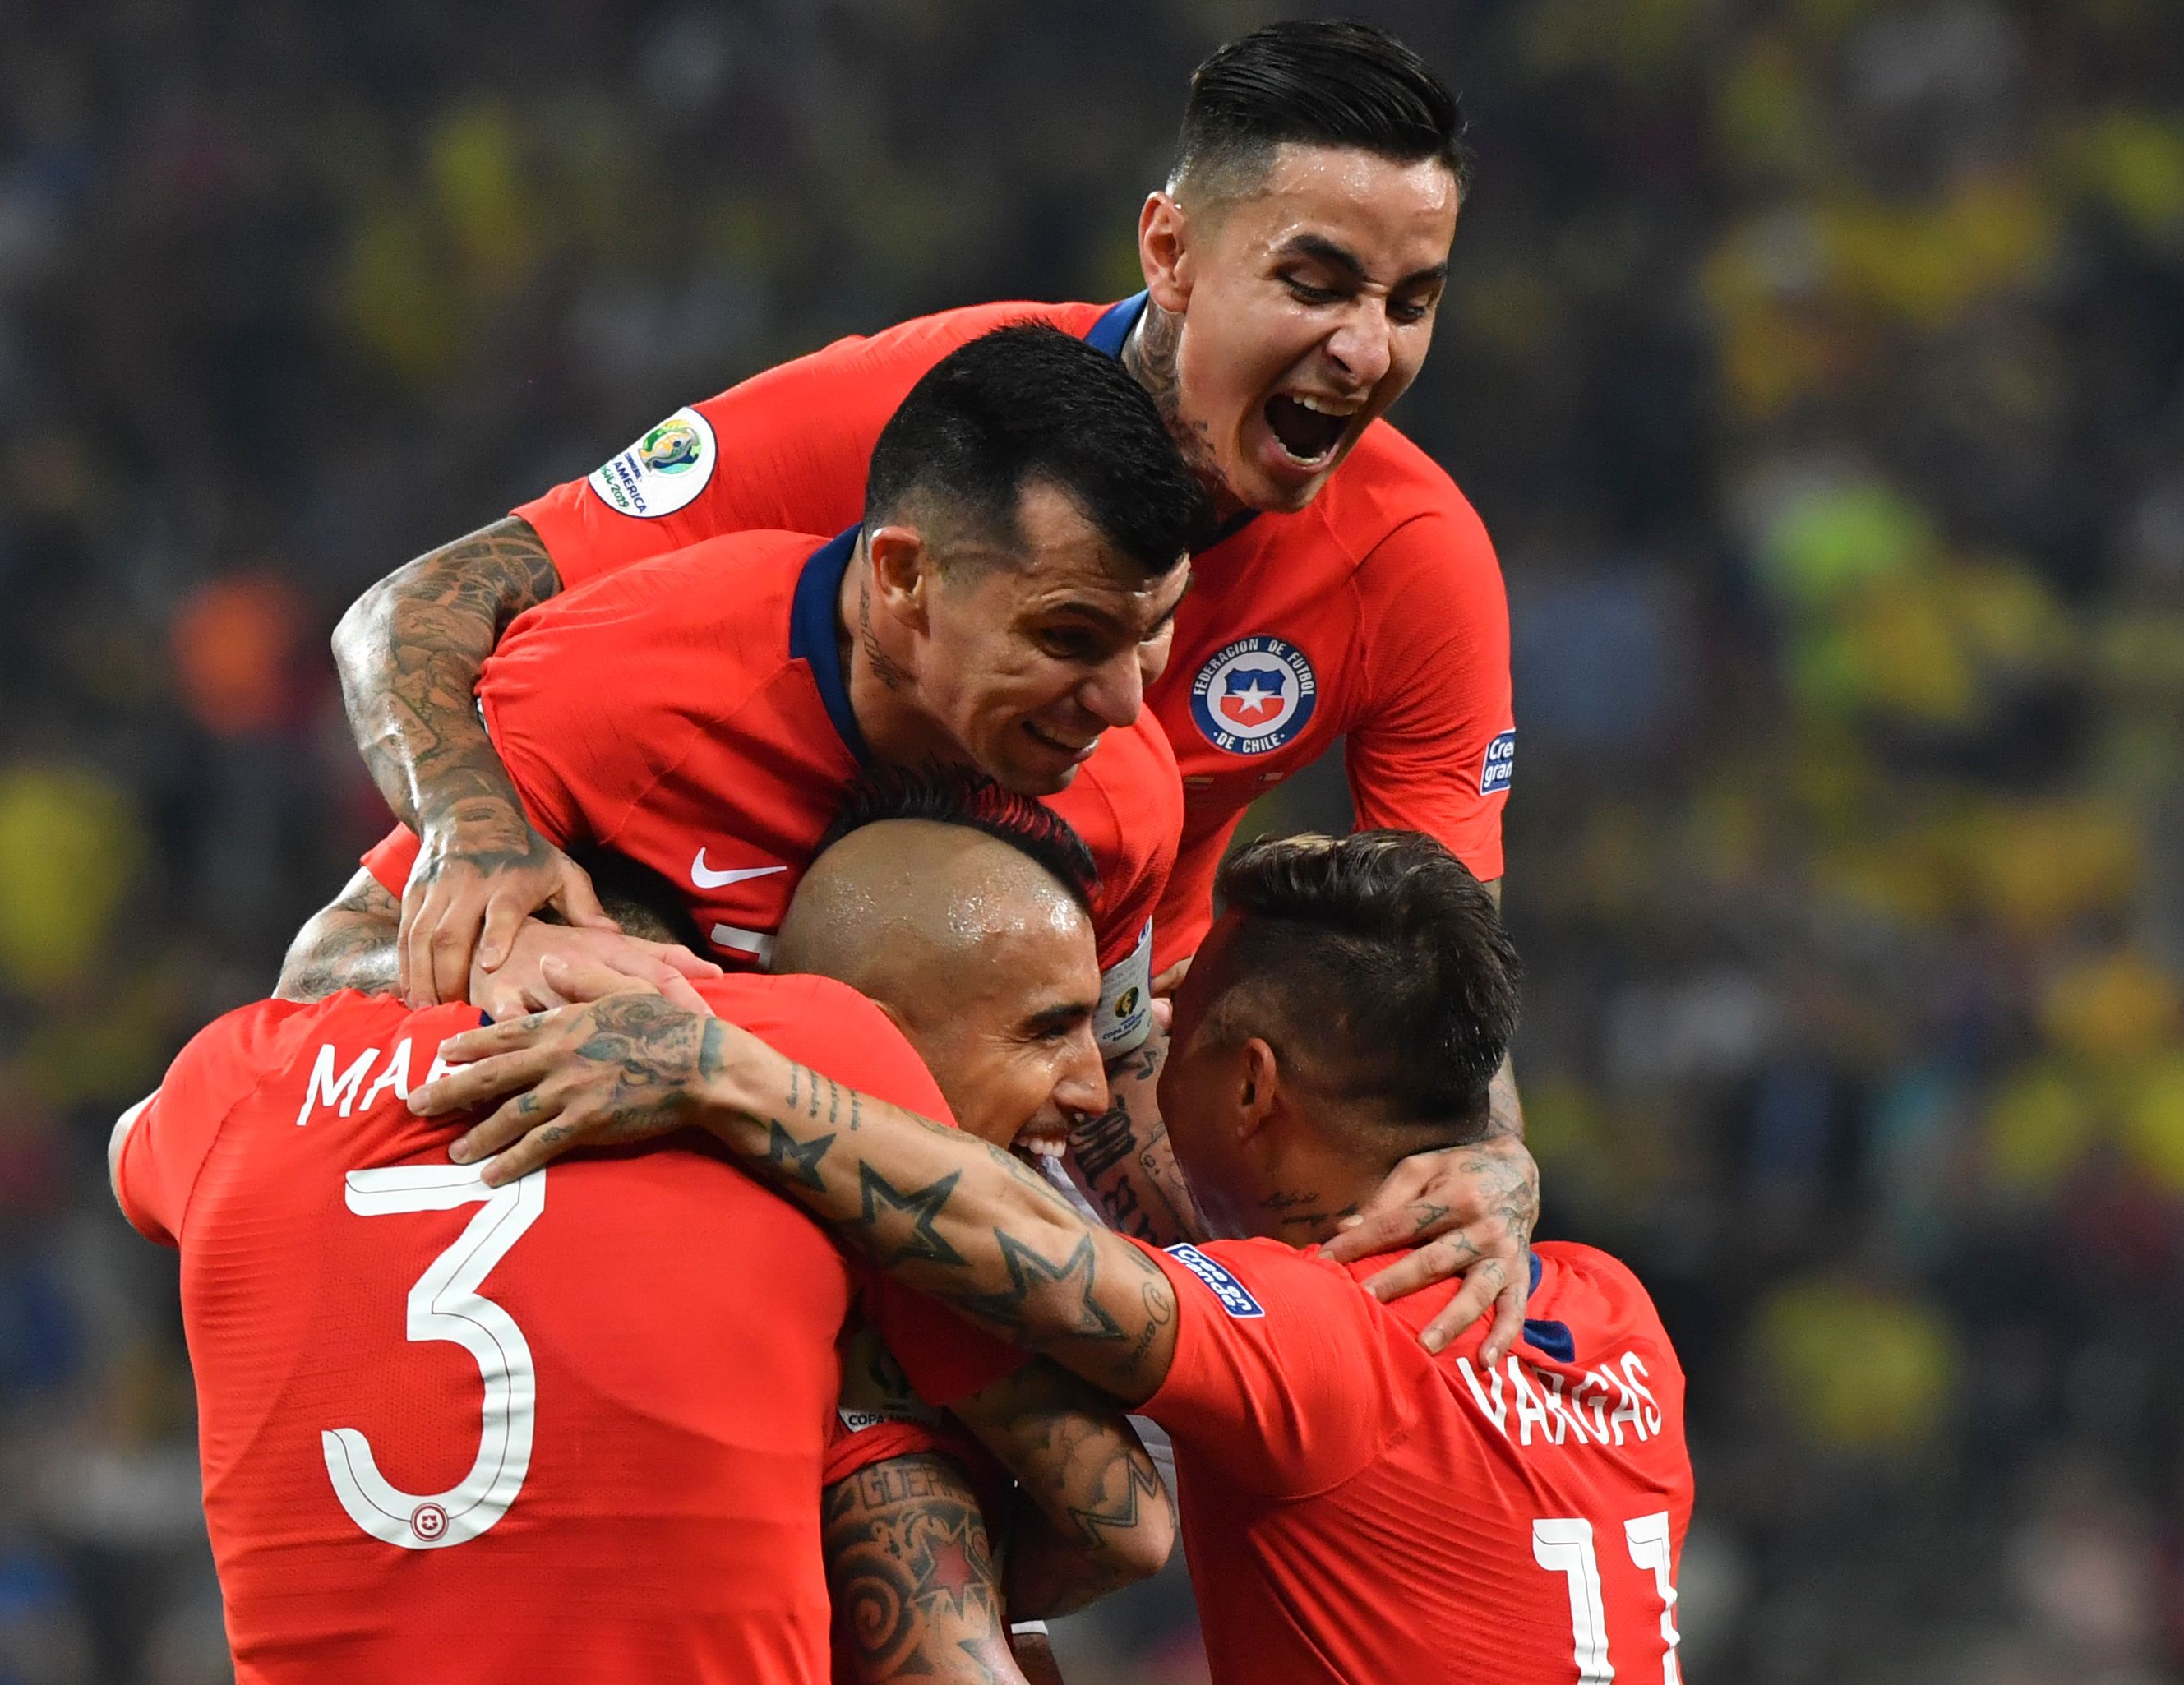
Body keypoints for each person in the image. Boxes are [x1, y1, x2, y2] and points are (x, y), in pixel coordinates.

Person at [326, 16, 1540, 1355]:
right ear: (1172, 252)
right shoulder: (931, 418)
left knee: (1162, 1459)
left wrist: (1493, 1156)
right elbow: (415, 608)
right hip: (720, 961)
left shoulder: (1416, 566)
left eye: (1410, 301)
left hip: (1083, 1058)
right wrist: (477, 829)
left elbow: (1435, 983)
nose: (1367, 351)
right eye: (1316, 284)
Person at [422, 830, 1696, 1684]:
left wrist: (722, 1069)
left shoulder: (1323, 1345)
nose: (1104, 1086)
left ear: (1249, 1083)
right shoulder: (1616, 1311)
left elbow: (1014, 1237)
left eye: (1158, 1034)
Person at [113, 917, 1166, 1682]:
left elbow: (133, 1144)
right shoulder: (803, 1048)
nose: (1085, 1082)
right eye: (1047, 1030)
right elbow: (1123, 1522)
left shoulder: (236, 1074)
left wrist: (445, 936)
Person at [289, 323, 1206, 1096]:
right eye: (1068, 638)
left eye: (1153, 631)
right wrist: (523, 970)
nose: (1127, 700)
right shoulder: (625, 678)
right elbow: (319, 978)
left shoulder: (1127, 797)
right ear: (904, 578)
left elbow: (1109, 1098)